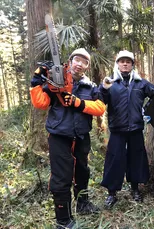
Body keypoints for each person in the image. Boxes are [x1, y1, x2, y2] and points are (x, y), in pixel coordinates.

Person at [30, 48, 106, 229]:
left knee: (82, 171)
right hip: (59, 136)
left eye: (84, 62)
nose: (80, 64)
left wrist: (78, 103)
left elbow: (100, 107)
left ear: (87, 66)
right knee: (61, 176)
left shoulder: (91, 86)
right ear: (70, 62)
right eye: (77, 60)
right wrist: (36, 83)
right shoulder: (56, 82)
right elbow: (40, 103)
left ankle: (83, 203)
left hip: (81, 135)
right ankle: (63, 219)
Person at [99, 50, 154, 209]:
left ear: (132, 65)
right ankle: (112, 193)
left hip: (135, 129)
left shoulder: (141, 83)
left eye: (128, 61)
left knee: (136, 159)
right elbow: (99, 101)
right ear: (117, 64)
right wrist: (104, 89)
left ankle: (135, 189)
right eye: (122, 61)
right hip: (117, 129)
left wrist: (148, 109)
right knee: (114, 160)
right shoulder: (110, 82)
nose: (125, 63)